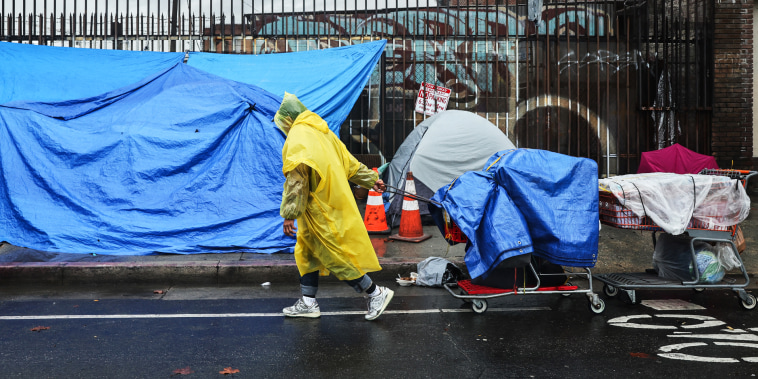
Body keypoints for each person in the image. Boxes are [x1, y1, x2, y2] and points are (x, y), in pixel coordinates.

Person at [275, 92, 393, 321]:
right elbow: (349, 163)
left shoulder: (297, 138)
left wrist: (289, 214)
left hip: (320, 209)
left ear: (288, 119)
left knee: (336, 256)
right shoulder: (323, 132)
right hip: (328, 204)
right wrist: (371, 179)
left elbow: (297, 181)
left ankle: (376, 293)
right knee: (306, 253)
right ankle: (308, 303)